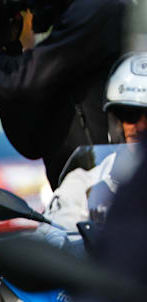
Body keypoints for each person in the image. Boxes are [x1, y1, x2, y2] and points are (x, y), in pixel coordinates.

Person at [0, 0, 128, 187]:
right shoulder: (70, 30)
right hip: (81, 199)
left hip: (111, 193)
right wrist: (8, 48)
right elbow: (31, 144)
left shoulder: (98, 8)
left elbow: (14, 85)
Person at [45, 52, 147, 229]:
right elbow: (52, 238)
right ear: (116, 121)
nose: (138, 127)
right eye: (129, 115)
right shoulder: (85, 184)